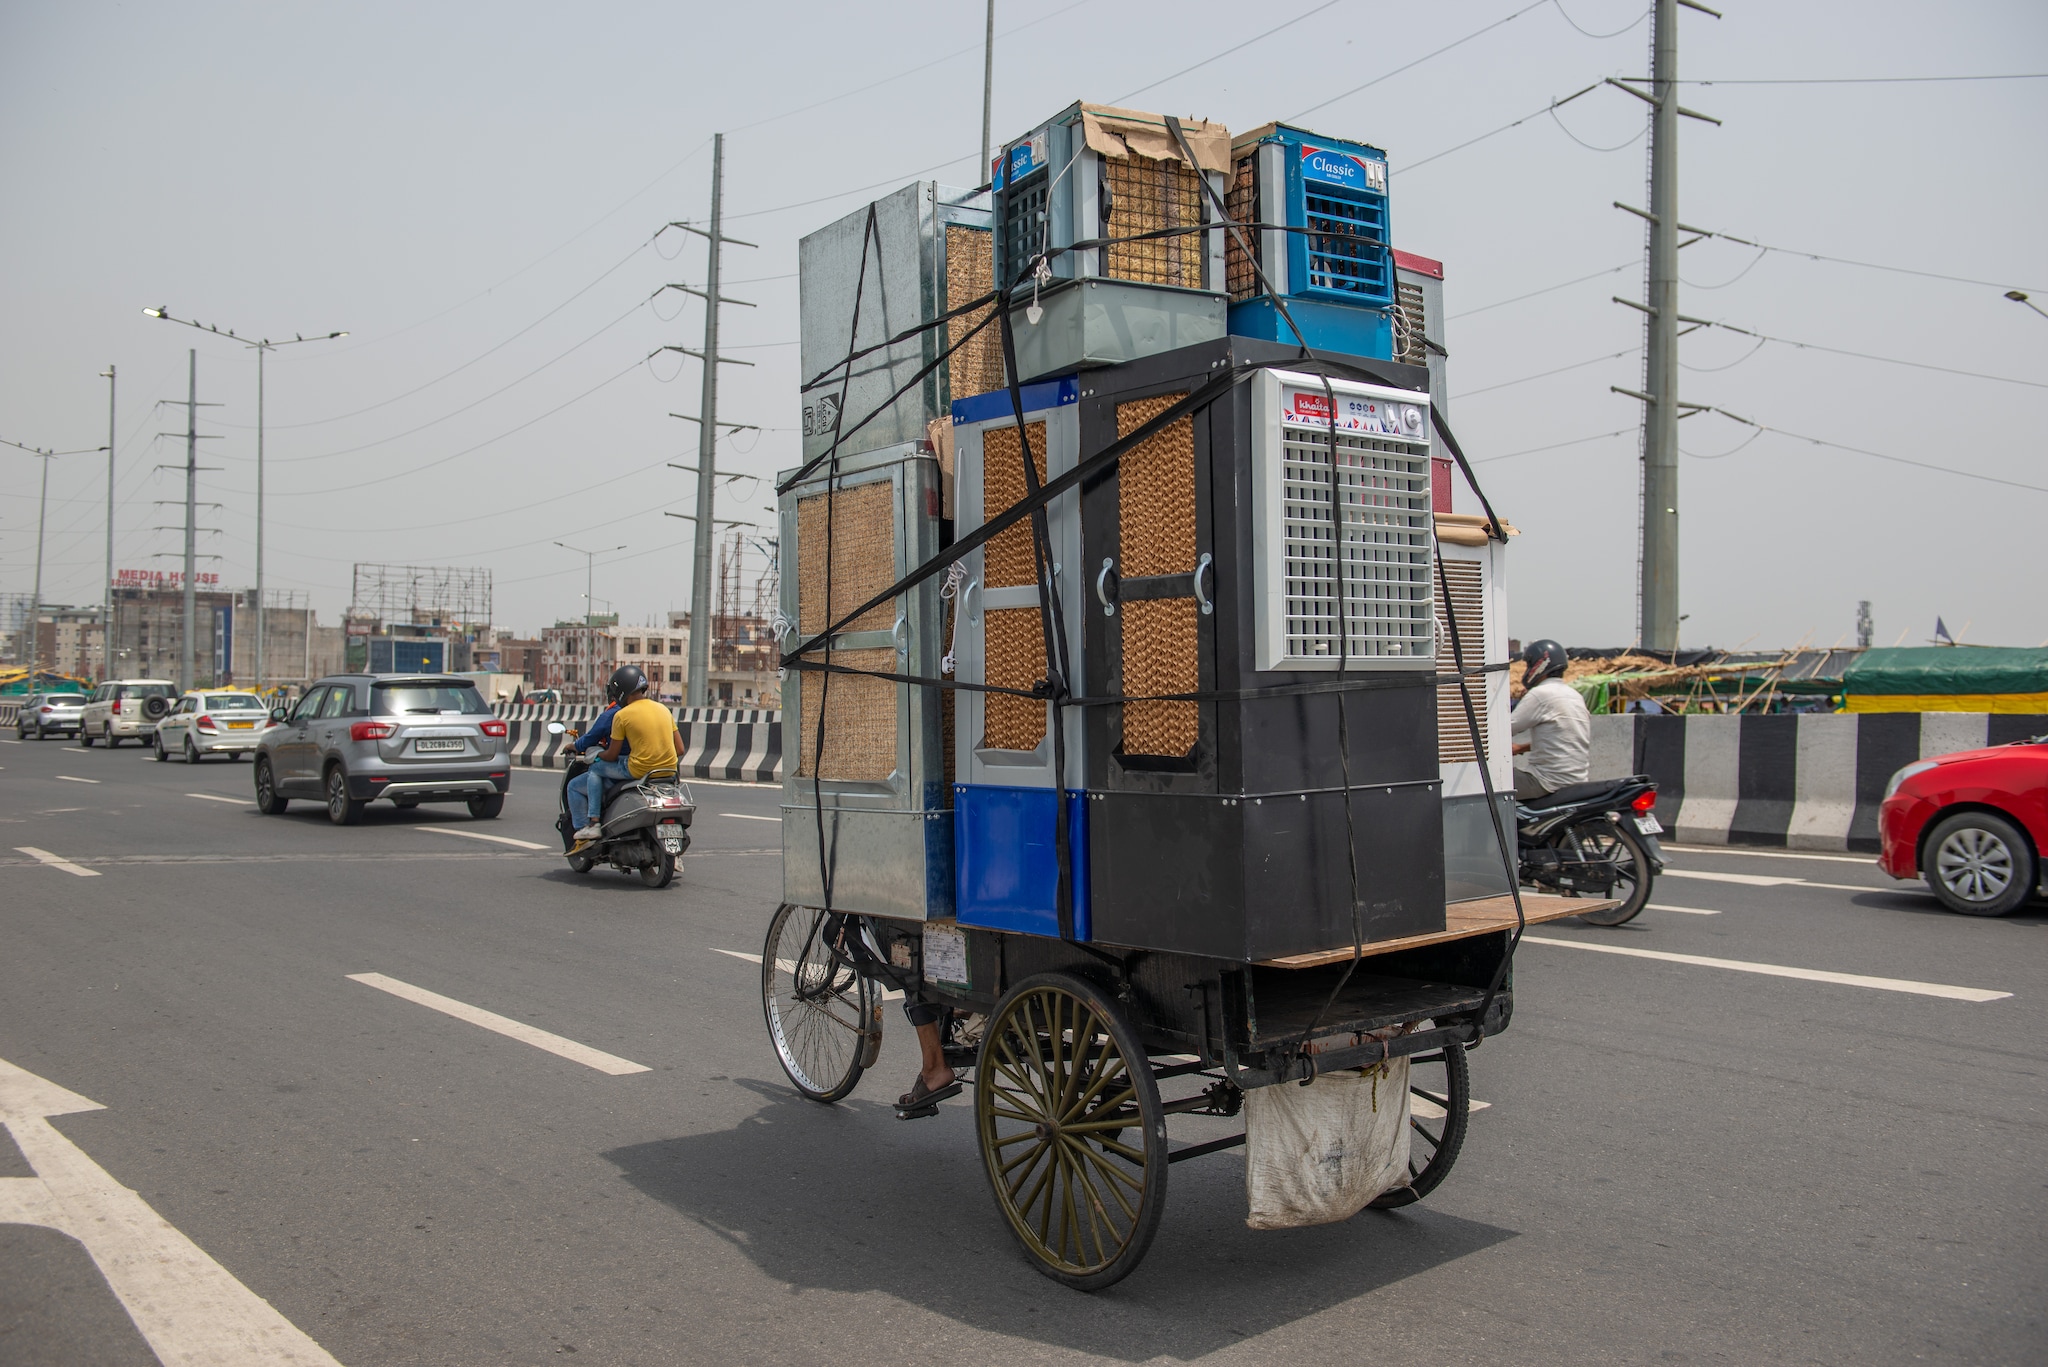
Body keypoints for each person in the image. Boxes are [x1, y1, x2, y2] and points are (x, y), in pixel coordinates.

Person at [568, 666, 683, 845]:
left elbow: (612, 755)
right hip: (668, 770)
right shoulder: (664, 709)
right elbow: (680, 749)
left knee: (596, 769)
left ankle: (593, 823)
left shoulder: (622, 715)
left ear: (621, 691)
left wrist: (598, 756)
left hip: (638, 770)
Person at [1510, 638, 1591, 800]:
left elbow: (1503, 730)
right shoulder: (1574, 695)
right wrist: (1521, 748)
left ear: (1539, 665)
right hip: (1576, 781)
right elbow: (1565, 738)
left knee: (1482, 777)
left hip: (1545, 782)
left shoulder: (1541, 694)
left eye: (1528, 665)